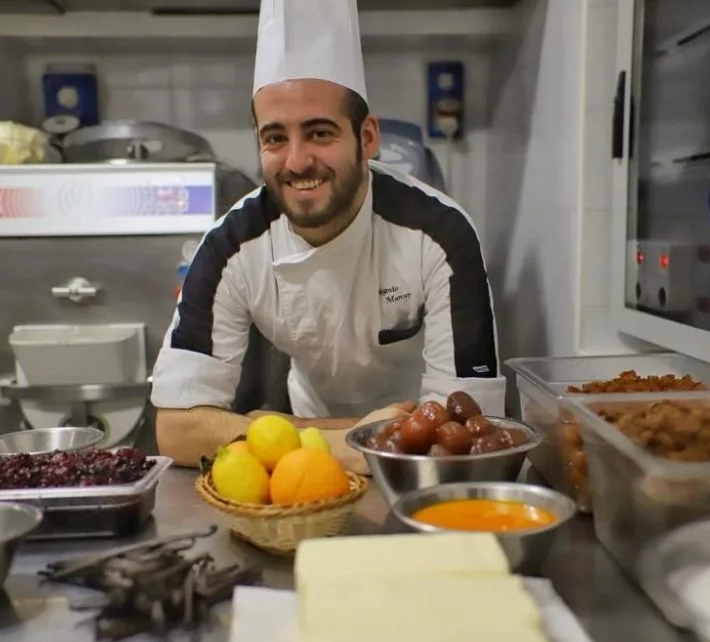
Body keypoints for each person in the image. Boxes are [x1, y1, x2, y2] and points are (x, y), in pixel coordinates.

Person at [150, 0, 505, 473]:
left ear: (368, 137)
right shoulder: (230, 246)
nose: (296, 161)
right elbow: (176, 429)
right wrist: (344, 442)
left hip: (416, 471)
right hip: (306, 467)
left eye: (319, 133)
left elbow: (464, 427)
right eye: (275, 138)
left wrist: (274, 428)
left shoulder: (440, 234)